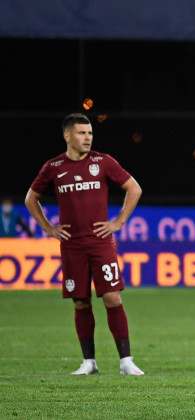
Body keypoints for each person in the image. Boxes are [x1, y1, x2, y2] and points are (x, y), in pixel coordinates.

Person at [25, 113, 145, 376]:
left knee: (112, 297)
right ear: (67, 136)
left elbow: (134, 188)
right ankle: (89, 362)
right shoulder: (54, 167)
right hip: (71, 246)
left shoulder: (102, 162)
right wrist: (48, 227)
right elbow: (31, 198)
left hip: (101, 243)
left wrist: (118, 222)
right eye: (81, 133)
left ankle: (126, 361)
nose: (88, 137)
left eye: (90, 133)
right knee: (80, 302)